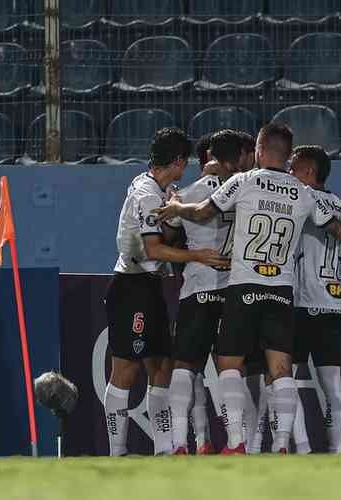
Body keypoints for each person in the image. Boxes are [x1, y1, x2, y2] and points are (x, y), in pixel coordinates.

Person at [156, 123, 341, 454]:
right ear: (286, 153)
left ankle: (235, 442)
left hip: (244, 286)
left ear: (261, 150)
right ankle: (281, 446)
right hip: (281, 290)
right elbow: (339, 230)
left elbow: (204, 211)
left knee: (230, 363)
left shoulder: (244, 181)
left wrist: (177, 207)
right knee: (280, 369)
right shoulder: (303, 192)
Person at [103, 127, 229, 457]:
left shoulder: (160, 187)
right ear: (176, 161)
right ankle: (117, 452)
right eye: (184, 163)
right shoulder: (147, 194)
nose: (185, 169)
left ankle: (163, 450)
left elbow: (174, 204)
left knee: (162, 366)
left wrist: (190, 189)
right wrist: (197, 256)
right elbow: (154, 249)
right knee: (125, 370)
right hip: (130, 287)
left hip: (149, 287)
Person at [165, 130, 246, 455]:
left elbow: (167, 233)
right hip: (232, 290)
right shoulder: (243, 193)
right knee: (230, 367)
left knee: (184, 366)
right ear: (234, 159)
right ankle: (237, 442)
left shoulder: (184, 194)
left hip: (197, 290)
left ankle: (179, 444)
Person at [288, 145, 341, 454]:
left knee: (284, 381)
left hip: (304, 304)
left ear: (308, 172)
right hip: (333, 304)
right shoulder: (340, 205)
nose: (288, 174)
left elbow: (337, 232)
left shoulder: (306, 198)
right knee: (333, 387)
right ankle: (336, 453)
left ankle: (302, 450)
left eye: (293, 168)